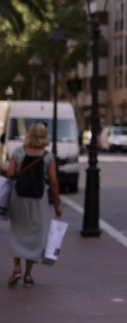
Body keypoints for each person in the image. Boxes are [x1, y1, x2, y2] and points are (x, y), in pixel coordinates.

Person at [6, 122, 62, 288]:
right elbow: (53, 181)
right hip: (39, 200)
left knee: (17, 231)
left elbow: (9, 174)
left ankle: (16, 268)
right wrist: (57, 204)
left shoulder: (18, 152)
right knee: (36, 234)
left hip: (19, 198)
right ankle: (28, 274)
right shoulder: (48, 157)